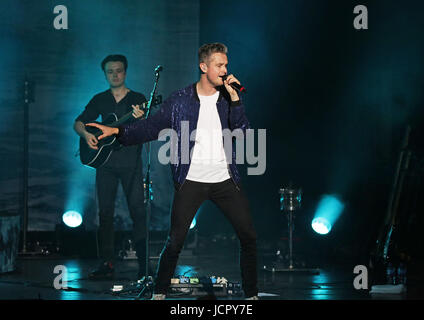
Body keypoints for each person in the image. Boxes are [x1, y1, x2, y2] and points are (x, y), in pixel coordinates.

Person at [86, 43, 259, 299]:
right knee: (175, 241)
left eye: (226, 65)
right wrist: (118, 131)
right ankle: (159, 293)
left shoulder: (227, 98)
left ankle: (251, 295)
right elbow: (150, 127)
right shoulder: (180, 100)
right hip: (191, 180)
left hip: (225, 180)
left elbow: (241, 132)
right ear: (204, 67)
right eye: (219, 65)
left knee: (249, 237)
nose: (225, 71)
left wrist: (236, 99)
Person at [73, 54, 148, 280]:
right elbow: (79, 122)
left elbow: (147, 129)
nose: (115, 75)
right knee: (105, 213)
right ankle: (106, 262)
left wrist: (141, 118)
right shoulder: (99, 99)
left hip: (131, 163)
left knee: (138, 212)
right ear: (105, 74)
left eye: (119, 70)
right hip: (104, 164)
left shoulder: (138, 99)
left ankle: (144, 266)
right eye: (110, 71)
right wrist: (86, 135)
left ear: (125, 72)